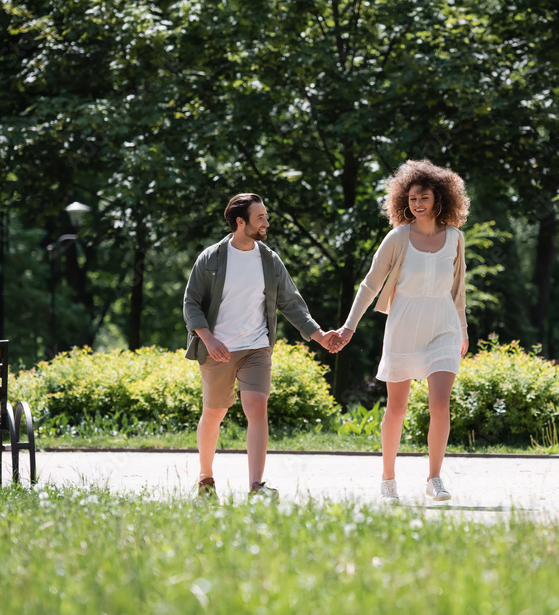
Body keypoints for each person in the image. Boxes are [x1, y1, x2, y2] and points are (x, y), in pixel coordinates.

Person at [183, 192, 342, 501]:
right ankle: (206, 477)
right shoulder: (211, 258)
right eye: (260, 218)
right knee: (214, 413)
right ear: (241, 222)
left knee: (257, 406)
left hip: (257, 347)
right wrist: (208, 338)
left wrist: (320, 335)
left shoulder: (268, 259)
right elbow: (191, 304)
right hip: (218, 349)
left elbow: (291, 303)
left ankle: (256, 486)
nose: (266, 222)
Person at [336, 159, 470, 503]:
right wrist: (349, 326)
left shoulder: (455, 238)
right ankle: (388, 479)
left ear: (439, 198)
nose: (417, 204)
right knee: (396, 408)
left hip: (443, 327)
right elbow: (369, 285)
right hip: (403, 326)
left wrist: (463, 330)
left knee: (440, 404)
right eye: (411, 198)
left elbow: (458, 291)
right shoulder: (397, 238)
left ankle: (435, 477)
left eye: (423, 197)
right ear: (403, 201)